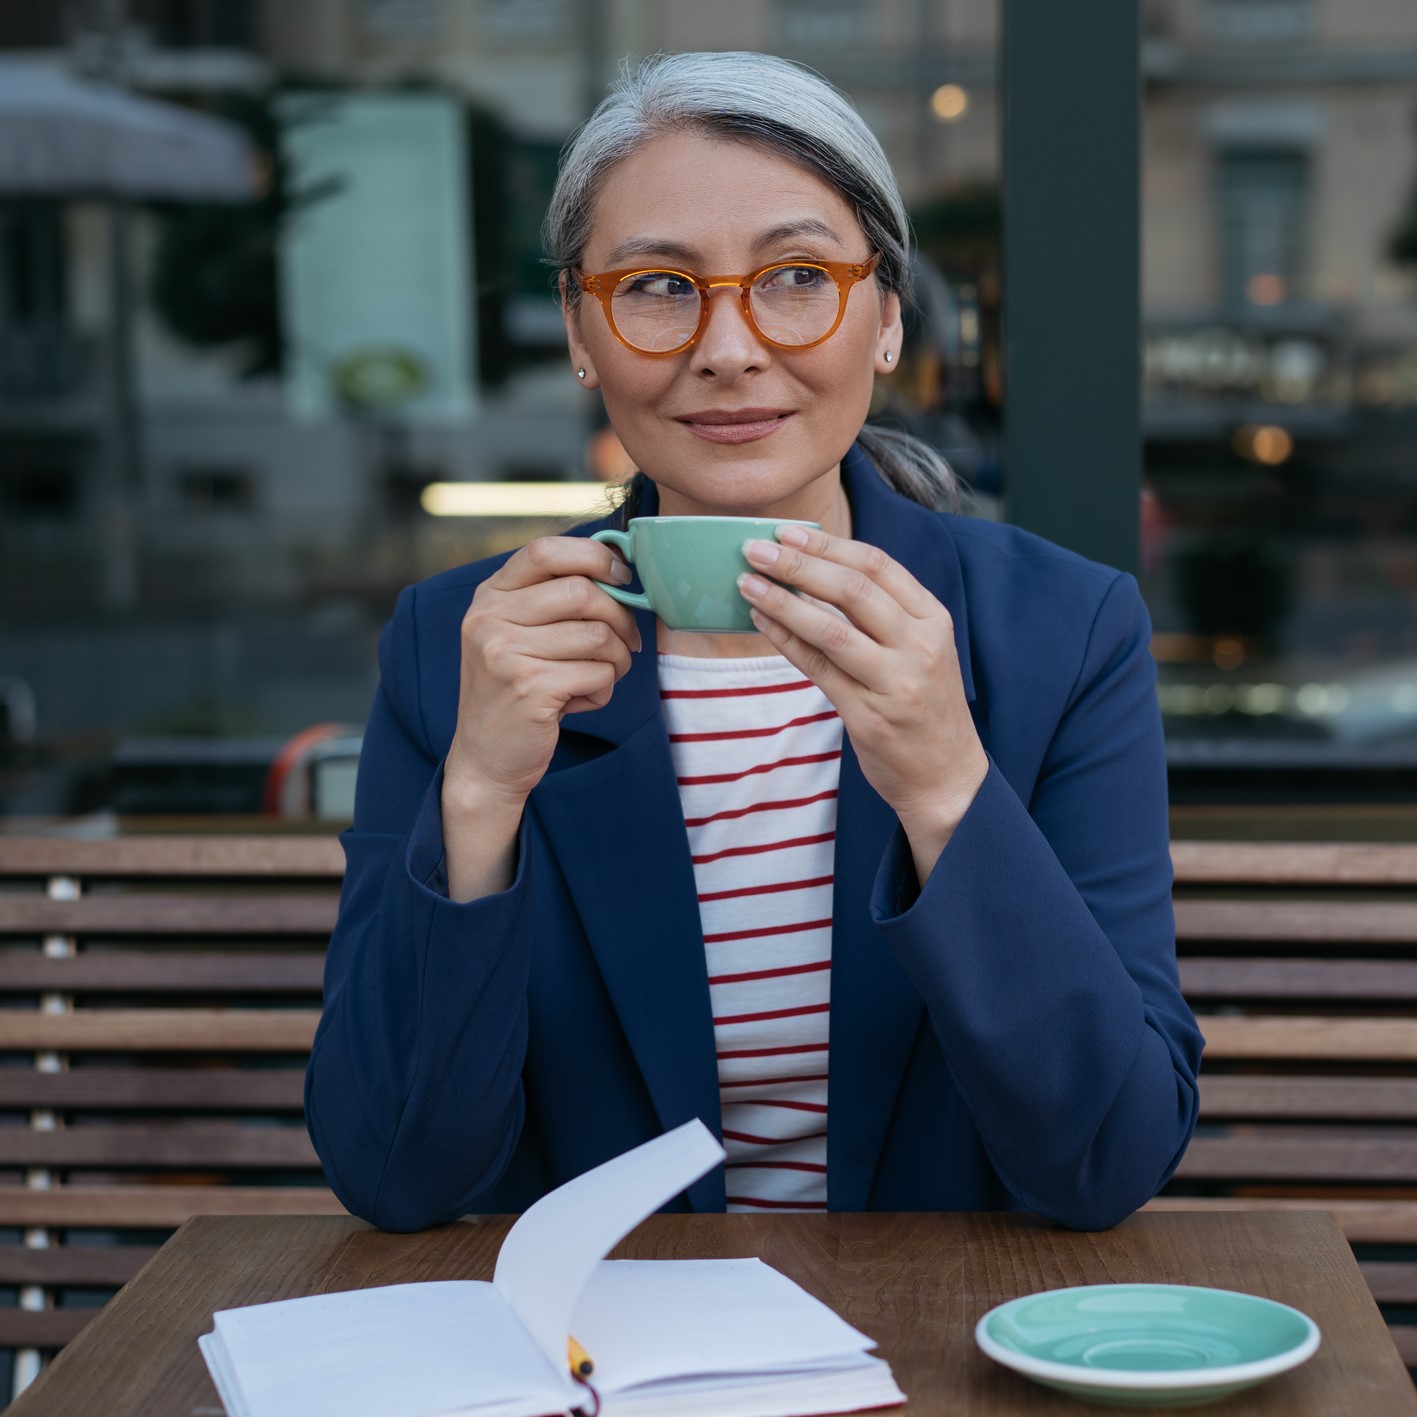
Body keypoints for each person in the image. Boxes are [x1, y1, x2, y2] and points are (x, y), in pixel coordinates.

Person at [306, 50, 1203, 1234]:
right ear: (582, 331)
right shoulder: (463, 646)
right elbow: (394, 1174)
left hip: (944, 1355)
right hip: (613, 1362)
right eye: (658, 288)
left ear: (884, 320)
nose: (727, 348)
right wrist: (478, 790)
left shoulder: (1060, 632)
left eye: (793, 277)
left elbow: (1106, 1157)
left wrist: (944, 784)